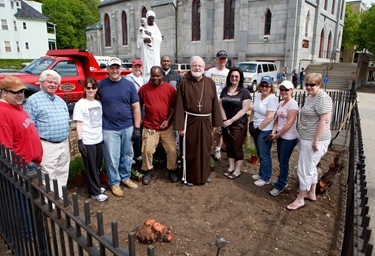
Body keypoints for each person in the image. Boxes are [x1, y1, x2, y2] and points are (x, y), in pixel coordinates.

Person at [174, 56, 223, 186]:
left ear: (204, 67)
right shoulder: (184, 82)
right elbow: (179, 105)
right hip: (189, 121)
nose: (197, 68)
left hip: (206, 121)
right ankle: (190, 177)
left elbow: (215, 104)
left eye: (200, 66)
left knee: (206, 149)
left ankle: (204, 175)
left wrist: (215, 122)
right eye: (194, 65)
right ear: (191, 67)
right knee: (191, 150)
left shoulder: (209, 82)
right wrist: (180, 126)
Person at [286, 73, 332, 210]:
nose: (309, 87)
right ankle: (311, 193)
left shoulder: (323, 98)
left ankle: (300, 199)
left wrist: (316, 140)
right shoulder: (311, 97)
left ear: (319, 85)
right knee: (311, 167)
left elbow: (325, 120)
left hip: (314, 139)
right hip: (306, 137)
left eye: (312, 84)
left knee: (304, 169)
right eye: (307, 84)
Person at [98, 57, 141, 197]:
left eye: (117, 68)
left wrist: (137, 127)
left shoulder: (129, 85)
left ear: (121, 69)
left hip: (127, 126)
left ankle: (126, 177)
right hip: (109, 128)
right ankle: (114, 182)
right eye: (112, 68)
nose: (115, 70)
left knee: (128, 155)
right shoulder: (101, 85)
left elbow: (136, 107)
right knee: (112, 156)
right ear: (108, 69)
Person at [24, 70, 70, 198]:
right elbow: (29, 126)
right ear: (41, 82)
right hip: (46, 145)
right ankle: (50, 204)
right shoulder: (33, 100)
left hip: (63, 143)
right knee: (48, 176)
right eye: (49, 81)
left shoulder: (60, 101)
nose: (53, 84)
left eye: (55, 83)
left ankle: (60, 199)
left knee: (62, 172)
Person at [138, 66, 178, 185]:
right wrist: (139, 118)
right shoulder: (144, 89)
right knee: (147, 150)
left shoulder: (170, 89)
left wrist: (168, 119)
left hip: (167, 126)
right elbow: (137, 104)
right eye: (153, 75)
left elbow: (174, 107)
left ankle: (172, 169)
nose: (155, 78)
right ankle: (147, 170)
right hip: (150, 126)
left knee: (172, 150)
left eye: (158, 75)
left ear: (162, 75)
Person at [73, 77, 107, 202]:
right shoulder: (80, 104)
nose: (91, 90)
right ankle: (95, 192)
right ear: (84, 89)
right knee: (91, 166)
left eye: (93, 87)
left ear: (97, 88)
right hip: (87, 140)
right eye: (88, 87)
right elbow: (79, 124)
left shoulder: (98, 103)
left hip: (98, 139)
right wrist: (80, 140)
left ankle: (95, 186)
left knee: (98, 165)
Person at [0, 76, 43, 165]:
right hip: (22, 168)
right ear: (4, 92)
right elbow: (5, 147)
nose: (20, 94)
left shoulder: (16, 106)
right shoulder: (2, 112)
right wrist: (14, 171)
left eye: (22, 91)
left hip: (32, 163)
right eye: (15, 92)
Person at [219, 68, 252, 179]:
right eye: (232, 76)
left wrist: (231, 120)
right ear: (229, 77)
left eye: (236, 76)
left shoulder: (244, 92)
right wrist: (224, 119)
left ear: (240, 78)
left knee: (237, 146)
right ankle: (231, 167)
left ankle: (237, 170)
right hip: (225, 123)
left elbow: (244, 109)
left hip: (238, 124)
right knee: (228, 145)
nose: (234, 78)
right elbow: (220, 105)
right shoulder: (225, 90)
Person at [268, 80, 298, 196]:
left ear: (291, 90)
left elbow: (289, 123)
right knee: (281, 160)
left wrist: (277, 135)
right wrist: (274, 131)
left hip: (288, 137)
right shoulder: (281, 103)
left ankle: (280, 185)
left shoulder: (293, 104)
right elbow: (277, 119)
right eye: (281, 90)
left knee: (283, 162)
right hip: (280, 135)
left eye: (286, 90)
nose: (283, 92)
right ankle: (282, 180)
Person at [249, 76, 279, 187]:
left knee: (265, 154)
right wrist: (251, 124)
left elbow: (270, 117)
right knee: (259, 152)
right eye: (263, 85)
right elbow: (253, 111)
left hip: (265, 130)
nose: (264, 88)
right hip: (256, 128)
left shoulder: (272, 99)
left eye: (267, 86)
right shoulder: (257, 96)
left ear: (271, 87)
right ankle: (261, 172)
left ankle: (266, 177)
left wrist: (259, 129)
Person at [205, 50, 230, 160]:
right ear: (217, 59)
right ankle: (208, 148)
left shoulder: (229, 73)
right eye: (220, 58)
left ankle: (217, 149)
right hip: (210, 103)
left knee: (219, 129)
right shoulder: (210, 72)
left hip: (222, 104)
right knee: (209, 127)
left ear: (227, 60)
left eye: (224, 59)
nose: (222, 61)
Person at [125, 59, 147, 163]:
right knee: (132, 131)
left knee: (139, 131)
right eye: (136, 67)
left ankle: (137, 153)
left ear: (142, 69)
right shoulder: (129, 79)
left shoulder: (143, 79)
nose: (138, 69)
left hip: (141, 109)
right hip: (131, 109)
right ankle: (132, 155)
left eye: (139, 67)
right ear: (132, 68)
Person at [137, 10, 163, 82]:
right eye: (150, 18)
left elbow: (160, 39)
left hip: (154, 53)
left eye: (152, 18)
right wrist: (144, 41)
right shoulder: (143, 28)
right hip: (146, 53)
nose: (151, 20)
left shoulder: (156, 30)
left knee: (155, 68)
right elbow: (138, 42)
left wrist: (151, 35)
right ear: (147, 19)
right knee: (146, 70)